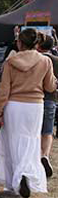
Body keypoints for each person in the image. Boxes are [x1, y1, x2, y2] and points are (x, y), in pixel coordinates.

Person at [0, 28, 57, 198]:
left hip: (14, 105)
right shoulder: (45, 61)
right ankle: (25, 174)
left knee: (12, 142)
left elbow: (4, 90)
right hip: (35, 106)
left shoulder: (10, 61)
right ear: (37, 43)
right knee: (31, 141)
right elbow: (50, 87)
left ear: (19, 43)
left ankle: (15, 180)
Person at [40, 34, 58, 177]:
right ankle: (44, 155)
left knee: (34, 132)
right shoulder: (55, 60)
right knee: (47, 131)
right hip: (50, 99)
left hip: (33, 99)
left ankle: (36, 156)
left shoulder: (36, 60)